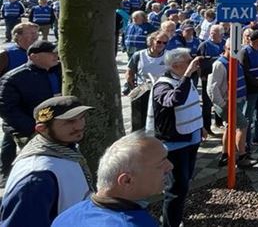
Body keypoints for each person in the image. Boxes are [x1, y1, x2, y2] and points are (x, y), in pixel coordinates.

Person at [1, 96, 94, 226]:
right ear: (42, 129)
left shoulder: (65, 148)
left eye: (81, 118)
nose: (79, 126)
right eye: (69, 122)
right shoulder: (37, 177)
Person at [52, 131, 173, 227]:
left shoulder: (68, 215)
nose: (170, 166)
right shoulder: (131, 223)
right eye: (160, 164)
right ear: (127, 180)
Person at [146, 48, 204, 227]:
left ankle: (176, 218)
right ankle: (170, 223)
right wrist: (188, 74)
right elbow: (175, 100)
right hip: (175, 144)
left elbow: (191, 103)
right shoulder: (163, 85)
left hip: (191, 138)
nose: (192, 63)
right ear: (177, 65)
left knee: (184, 183)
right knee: (176, 189)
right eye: (188, 61)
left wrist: (200, 127)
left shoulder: (182, 79)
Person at [0, 39, 62, 185]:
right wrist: (32, 128)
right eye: (51, 53)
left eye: (56, 52)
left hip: (57, 126)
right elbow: (7, 109)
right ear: (34, 56)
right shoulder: (13, 78)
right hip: (29, 130)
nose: (55, 56)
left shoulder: (60, 71)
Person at [207, 40, 256, 168]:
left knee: (230, 127)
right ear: (225, 48)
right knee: (243, 125)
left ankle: (225, 154)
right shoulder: (219, 64)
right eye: (230, 49)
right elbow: (212, 88)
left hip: (238, 100)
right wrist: (222, 104)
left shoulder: (235, 60)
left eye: (236, 50)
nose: (234, 52)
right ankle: (242, 156)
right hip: (227, 103)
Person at [125, 31, 168, 131]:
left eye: (165, 43)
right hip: (142, 91)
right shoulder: (139, 55)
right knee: (139, 122)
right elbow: (129, 72)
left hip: (161, 91)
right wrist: (133, 87)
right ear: (151, 41)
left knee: (159, 120)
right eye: (159, 42)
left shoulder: (169, 55)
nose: (162, 45)